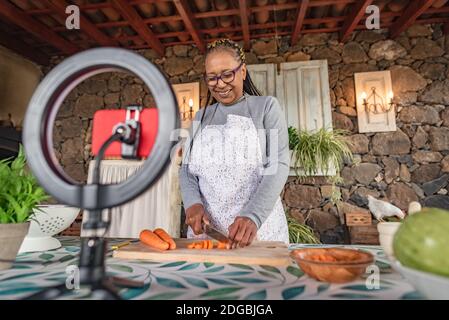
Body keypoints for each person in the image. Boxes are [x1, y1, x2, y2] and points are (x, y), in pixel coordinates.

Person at [179, 39, 290, 247]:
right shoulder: (201, 117)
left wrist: (253, 216)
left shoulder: (266, 107)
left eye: (227, 74)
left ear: (243, 72)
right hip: (207, 235)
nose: (220, 84)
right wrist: (192, 204)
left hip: (257, 232)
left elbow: (278, 165)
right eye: (212, 78)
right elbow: (187, 170)